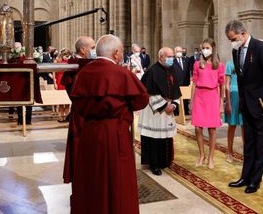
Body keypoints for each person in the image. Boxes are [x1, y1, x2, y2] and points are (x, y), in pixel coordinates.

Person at [70, 35, 149, 214]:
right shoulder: (122, 74)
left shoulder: (83, 74)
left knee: (92, 177)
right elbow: (141, 99)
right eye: (121, 52)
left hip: (89, 132)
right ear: (115, 53)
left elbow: (77, 102)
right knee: (118, 179)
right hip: (116, 132)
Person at [225, 19, 263, 194]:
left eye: (233, 38)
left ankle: (255, 181)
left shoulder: (260, 48)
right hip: (246, 105)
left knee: (261, 145)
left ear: (242, 33)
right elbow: (241, 79)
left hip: (262, 106)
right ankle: (245, 177)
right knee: (248, 143)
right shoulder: (237, 50)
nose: (232, 42)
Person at [138, 47, 181, 176]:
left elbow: (176, 90)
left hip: (168, 108)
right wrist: (163, 106)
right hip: (154, 111)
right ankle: (154, 164)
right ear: (160, 57)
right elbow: (149, 93)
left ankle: (164, 161)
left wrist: (174, 104)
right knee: (155, 138)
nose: (171, 59)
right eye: (168, 56)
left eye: (172, 56)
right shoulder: (152, 71)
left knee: (165, 137)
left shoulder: (172, 70)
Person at [61, 36, 95, 185]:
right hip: (82, 113)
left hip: (90, 112)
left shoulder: (89, 63)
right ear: (83, 49)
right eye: (93, 47)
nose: (95, 50)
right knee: (80, 148)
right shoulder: (75, 65)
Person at [191, 38, 225, 169]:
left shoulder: (219, 65)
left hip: (212, 97)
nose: (205, 50)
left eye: (207, 48)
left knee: (212, 129)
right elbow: (194, 82)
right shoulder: (197, 64)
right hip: (199, 96)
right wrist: (191, 100)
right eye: (203, 48)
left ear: (213, 49)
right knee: (198, 128)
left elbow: (221, 85)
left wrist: (221, 103)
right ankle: (201, 155)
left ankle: (211, 157)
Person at [224, 60, 243, 163]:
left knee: (245, 126)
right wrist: (228, 102)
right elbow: (226, 85)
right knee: (232, 125)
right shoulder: (230, 63)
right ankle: (230, 152)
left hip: (244, 95)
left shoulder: (247, 62)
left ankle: (246, 153)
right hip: (233, 96)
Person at [54, 49, 72, 122]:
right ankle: (61, 116)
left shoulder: (70, 62)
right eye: (65, 55)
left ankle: (67, 117)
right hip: (59, 80)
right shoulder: (57, 61)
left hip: (67, 80)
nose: (66, 57)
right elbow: (53, 72)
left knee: (67, 100)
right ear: (62, 55)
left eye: (67, 55)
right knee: (60, 100)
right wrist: (54, 82)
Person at [172, 46, 191, 114]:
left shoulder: (186, 60)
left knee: (185, 98)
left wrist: (189, 81)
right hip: (176, 83)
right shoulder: (172, 61)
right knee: (176, 98)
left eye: (180, 51)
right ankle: (176, 111)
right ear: (174, 52)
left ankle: (186, 111)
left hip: (185, 82)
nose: (179, 53)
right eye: (178, 51)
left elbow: (188, 71)